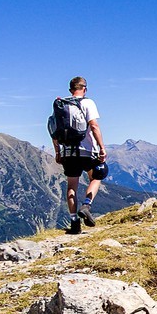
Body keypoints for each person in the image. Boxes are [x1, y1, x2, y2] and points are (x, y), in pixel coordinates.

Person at [50, 76, 107, 234]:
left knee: (71, 187)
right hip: (87, 151)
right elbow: (94, 126)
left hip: (68, 153)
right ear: (85, 89)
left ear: (70, 90)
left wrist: (58, 152)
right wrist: (102, 147)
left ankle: (74, 221)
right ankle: (86, 205)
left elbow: (53, 131)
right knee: (97, 176)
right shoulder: (88, 102)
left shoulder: (61, 105)